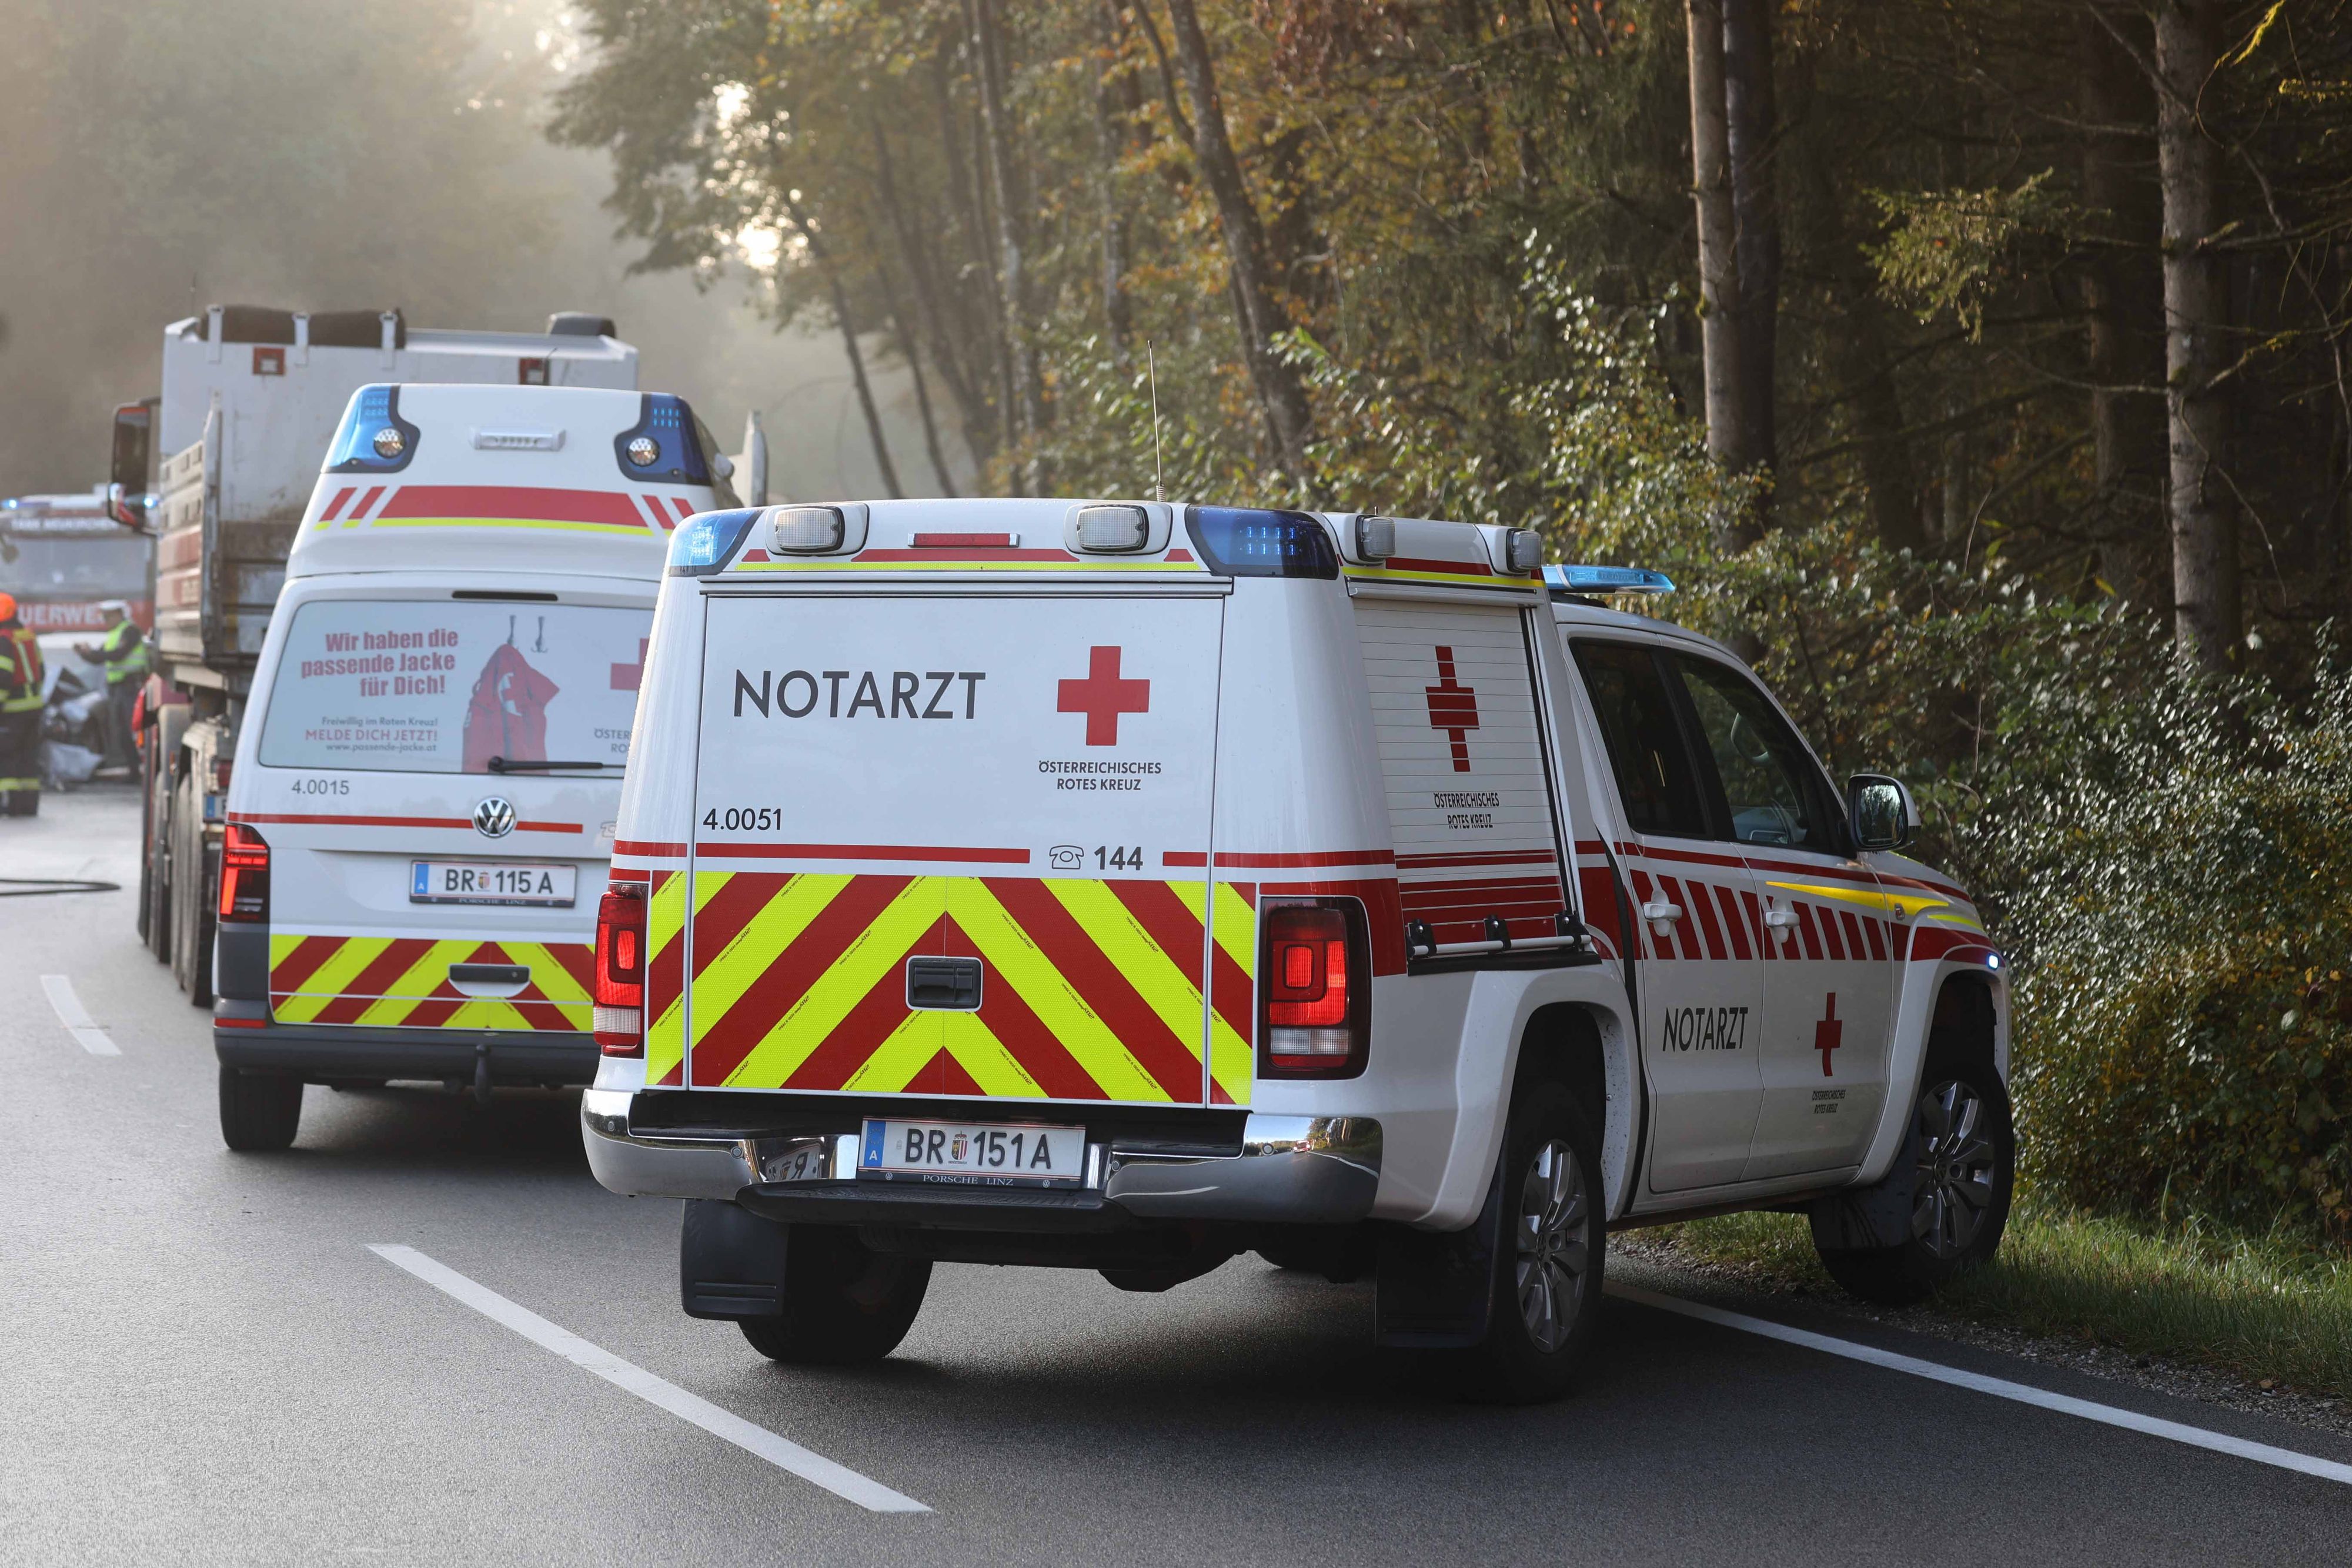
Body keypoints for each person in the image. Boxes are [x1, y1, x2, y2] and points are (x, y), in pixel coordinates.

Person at [76, 599, 148, 771]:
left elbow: (118, 655)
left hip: (130, 687)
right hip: (117, 690)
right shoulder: (114, 635)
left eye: (108, 617)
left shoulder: (130, 631)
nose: (105, 620)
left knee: (133, 730)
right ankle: (134, 770)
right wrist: (84, 653)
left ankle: (140, 768)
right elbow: (99, 658)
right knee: (121, 731)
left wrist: (95, 654)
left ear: (118, 615)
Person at [0, 591, 44, 816]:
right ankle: (28, 806)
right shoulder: (27, 635)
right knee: (28, 758)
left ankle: (10, 806)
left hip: (12, 710)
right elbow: (41, 670)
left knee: (7, 756)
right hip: (34, 708)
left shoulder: (3, 638)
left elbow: (3, 676)